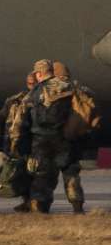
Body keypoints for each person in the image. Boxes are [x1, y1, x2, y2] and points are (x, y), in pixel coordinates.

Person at [26, 59, 84, 214]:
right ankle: (77, 206)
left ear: (39, 73)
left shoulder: (35, 91)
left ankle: (39, 208)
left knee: (42, 175)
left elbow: (23, 117)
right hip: (64, 138)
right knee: (70, 172)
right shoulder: (68, 86)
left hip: (40, 140)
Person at [0, 70, 38, 212]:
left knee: (22, 173)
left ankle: (29, 202)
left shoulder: (14, 99)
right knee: (30, 174)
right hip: (28, 143)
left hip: (13, 143)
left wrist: (2, 136)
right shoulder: (38, 99)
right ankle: (31, 202)